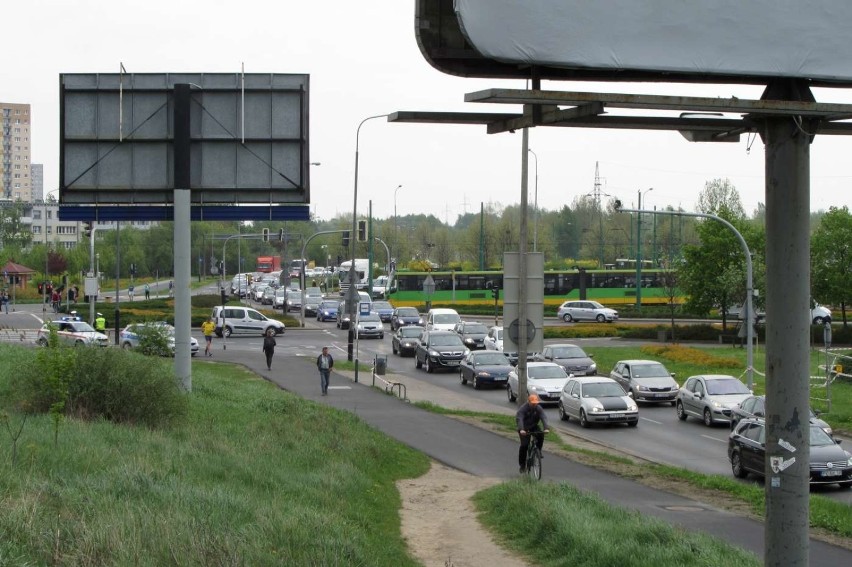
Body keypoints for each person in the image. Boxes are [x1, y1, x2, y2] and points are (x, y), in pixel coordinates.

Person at [516, 394, 550, 474]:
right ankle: (522, 465)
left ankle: (538, 451)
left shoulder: (538, 408)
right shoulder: (523, 409)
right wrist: (521, 429)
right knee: (524, 445)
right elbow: (519, 419)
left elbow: (544, 417)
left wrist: (546, 428)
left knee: (540, 435)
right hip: (524, 428)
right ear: (529, 402)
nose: (534, 405)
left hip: (533, 426)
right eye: (533, 403)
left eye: (536, 403)